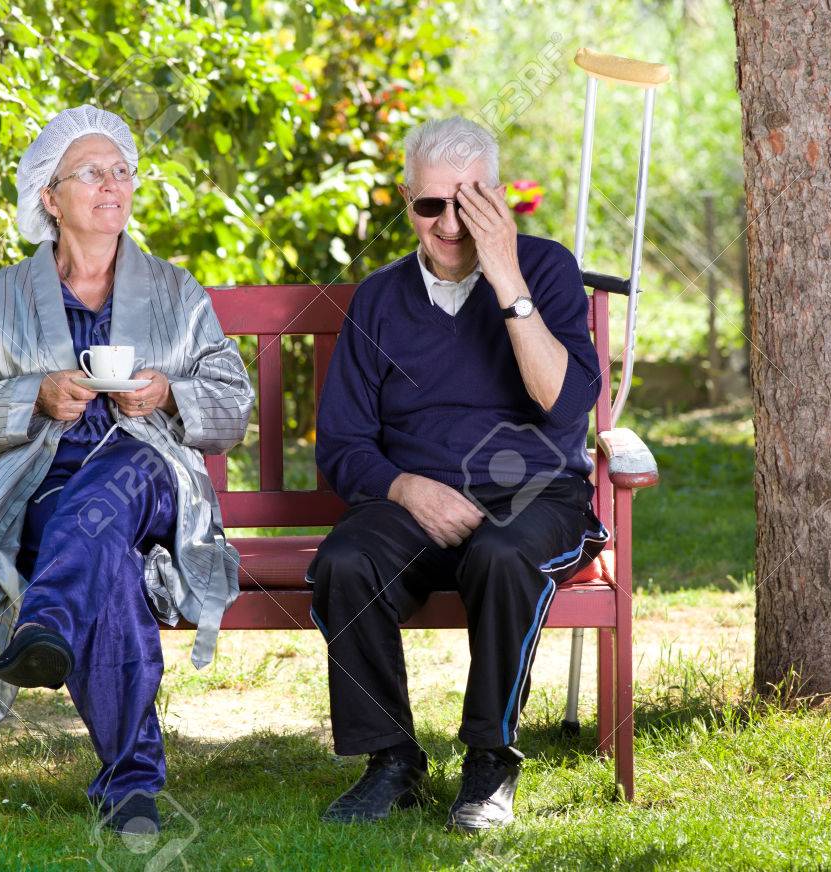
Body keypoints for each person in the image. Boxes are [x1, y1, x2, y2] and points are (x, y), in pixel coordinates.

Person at [0, 106, 253, 834]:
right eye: (93, 172)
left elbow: (233, 406)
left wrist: (169, 394)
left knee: (120, 477)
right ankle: (131, 787)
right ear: (50, 197)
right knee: (101, 554)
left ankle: (47, 620)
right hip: (39, 495)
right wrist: (33, 397)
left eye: (123, 171)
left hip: (156, 482)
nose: (114, 184)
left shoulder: (175, 292)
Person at [310, 116, 607, 833]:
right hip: (419, 500)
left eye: (468, 202)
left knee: (504, 557)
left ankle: (489, 764)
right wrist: (408, 488)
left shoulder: (548, 269)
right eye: (430, 205)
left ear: (498, 199)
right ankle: (391, 762)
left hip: (533, 495)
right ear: (406, 201)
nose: (449, 224)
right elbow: (343, 444)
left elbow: (563, 399)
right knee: (345, 562)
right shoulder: (380, 299)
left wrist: (506, 274)